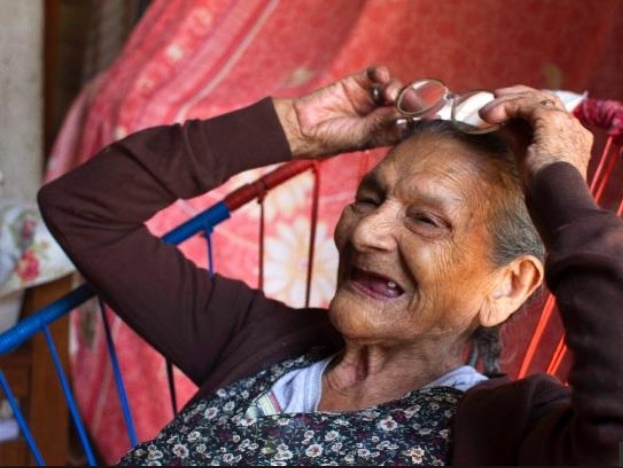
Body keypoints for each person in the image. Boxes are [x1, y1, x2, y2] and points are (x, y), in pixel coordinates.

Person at [38, 65, 622, 466]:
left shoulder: (508, 431)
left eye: (425, 221)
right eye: (369, 199)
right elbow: (83, 211)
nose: (366, 232)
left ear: (510, 285)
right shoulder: (260, 341)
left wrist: (559, 186)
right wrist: (291, 129)